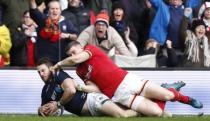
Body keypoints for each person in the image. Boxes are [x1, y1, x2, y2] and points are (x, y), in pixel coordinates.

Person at [52, 41, 203, 116]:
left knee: (168, 96)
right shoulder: (79, 70)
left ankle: (186, 99)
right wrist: (81, 87)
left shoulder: (90, 48)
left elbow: (74, 60)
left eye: (74, 52)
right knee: (157, 113)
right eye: (69, 54)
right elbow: (95, 88)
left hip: (127, 80)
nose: (72, 56)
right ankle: (167, 87)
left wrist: (59, 64)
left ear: (80, 48)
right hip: (119, 95)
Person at [37, 57, 139, 117]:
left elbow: (71, 90)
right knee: (122, 110)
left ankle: (142, 112)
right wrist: (40, 110)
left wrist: (58, 104)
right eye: (39, 72)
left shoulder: (58, 75)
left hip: (93, 101)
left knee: (122, 115)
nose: (41, 74)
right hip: (89, 113)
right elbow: (43, 109)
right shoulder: (45, 91)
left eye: (43, 70)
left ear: (51, 69)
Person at [29, 0, 78, 64]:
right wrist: (32, 1)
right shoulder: (43, 20)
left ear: (60, 11)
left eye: (57, 8)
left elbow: (76, 36)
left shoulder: (67, 22)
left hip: (61, 60)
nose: (55, 10)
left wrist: (68, 35)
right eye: (52, 9)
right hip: (44, 60)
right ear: (48, 10)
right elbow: (34, 11)